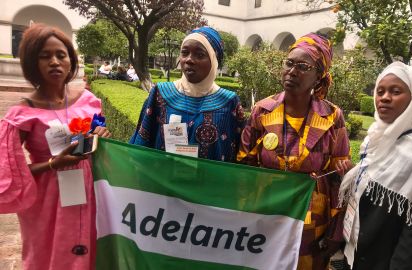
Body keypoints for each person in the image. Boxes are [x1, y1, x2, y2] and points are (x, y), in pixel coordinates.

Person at [0, 23, 111, 270]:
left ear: (71, 61)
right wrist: (53, 163)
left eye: (61, 55)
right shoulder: (21, 114)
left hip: (87, 190)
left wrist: (100, 133)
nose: (54, 62)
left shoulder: (89, 101)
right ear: (31, 63)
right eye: (45, 56)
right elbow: (10, 175)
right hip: (47, 199)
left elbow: (97, 132)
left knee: (88, 248)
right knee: (51, 252)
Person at [237, 33, 351, 270]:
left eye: (303, 66)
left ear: (318, 75)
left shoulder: (331, 116)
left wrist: (335, 230)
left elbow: (339, 181)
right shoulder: (262, 110)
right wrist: (243, 214)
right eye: (289, 63)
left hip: (311, 223)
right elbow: (244, 167)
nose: (292, 71)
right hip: (266, 215)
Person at [339, 62, 412, 270]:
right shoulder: (377, 141)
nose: (385, 97)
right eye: (380, 91)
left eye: (395, 91)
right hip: (358, 257)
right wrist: (354, 174)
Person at [130, 26, 245, 161]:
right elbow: (141, 144)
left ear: (214, 60)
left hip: (209, 182)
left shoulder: (229, 102)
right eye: (184, 53)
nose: (189, 60)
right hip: (162, 180)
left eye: (200, 54)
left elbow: (240, 156)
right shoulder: (161, 94)